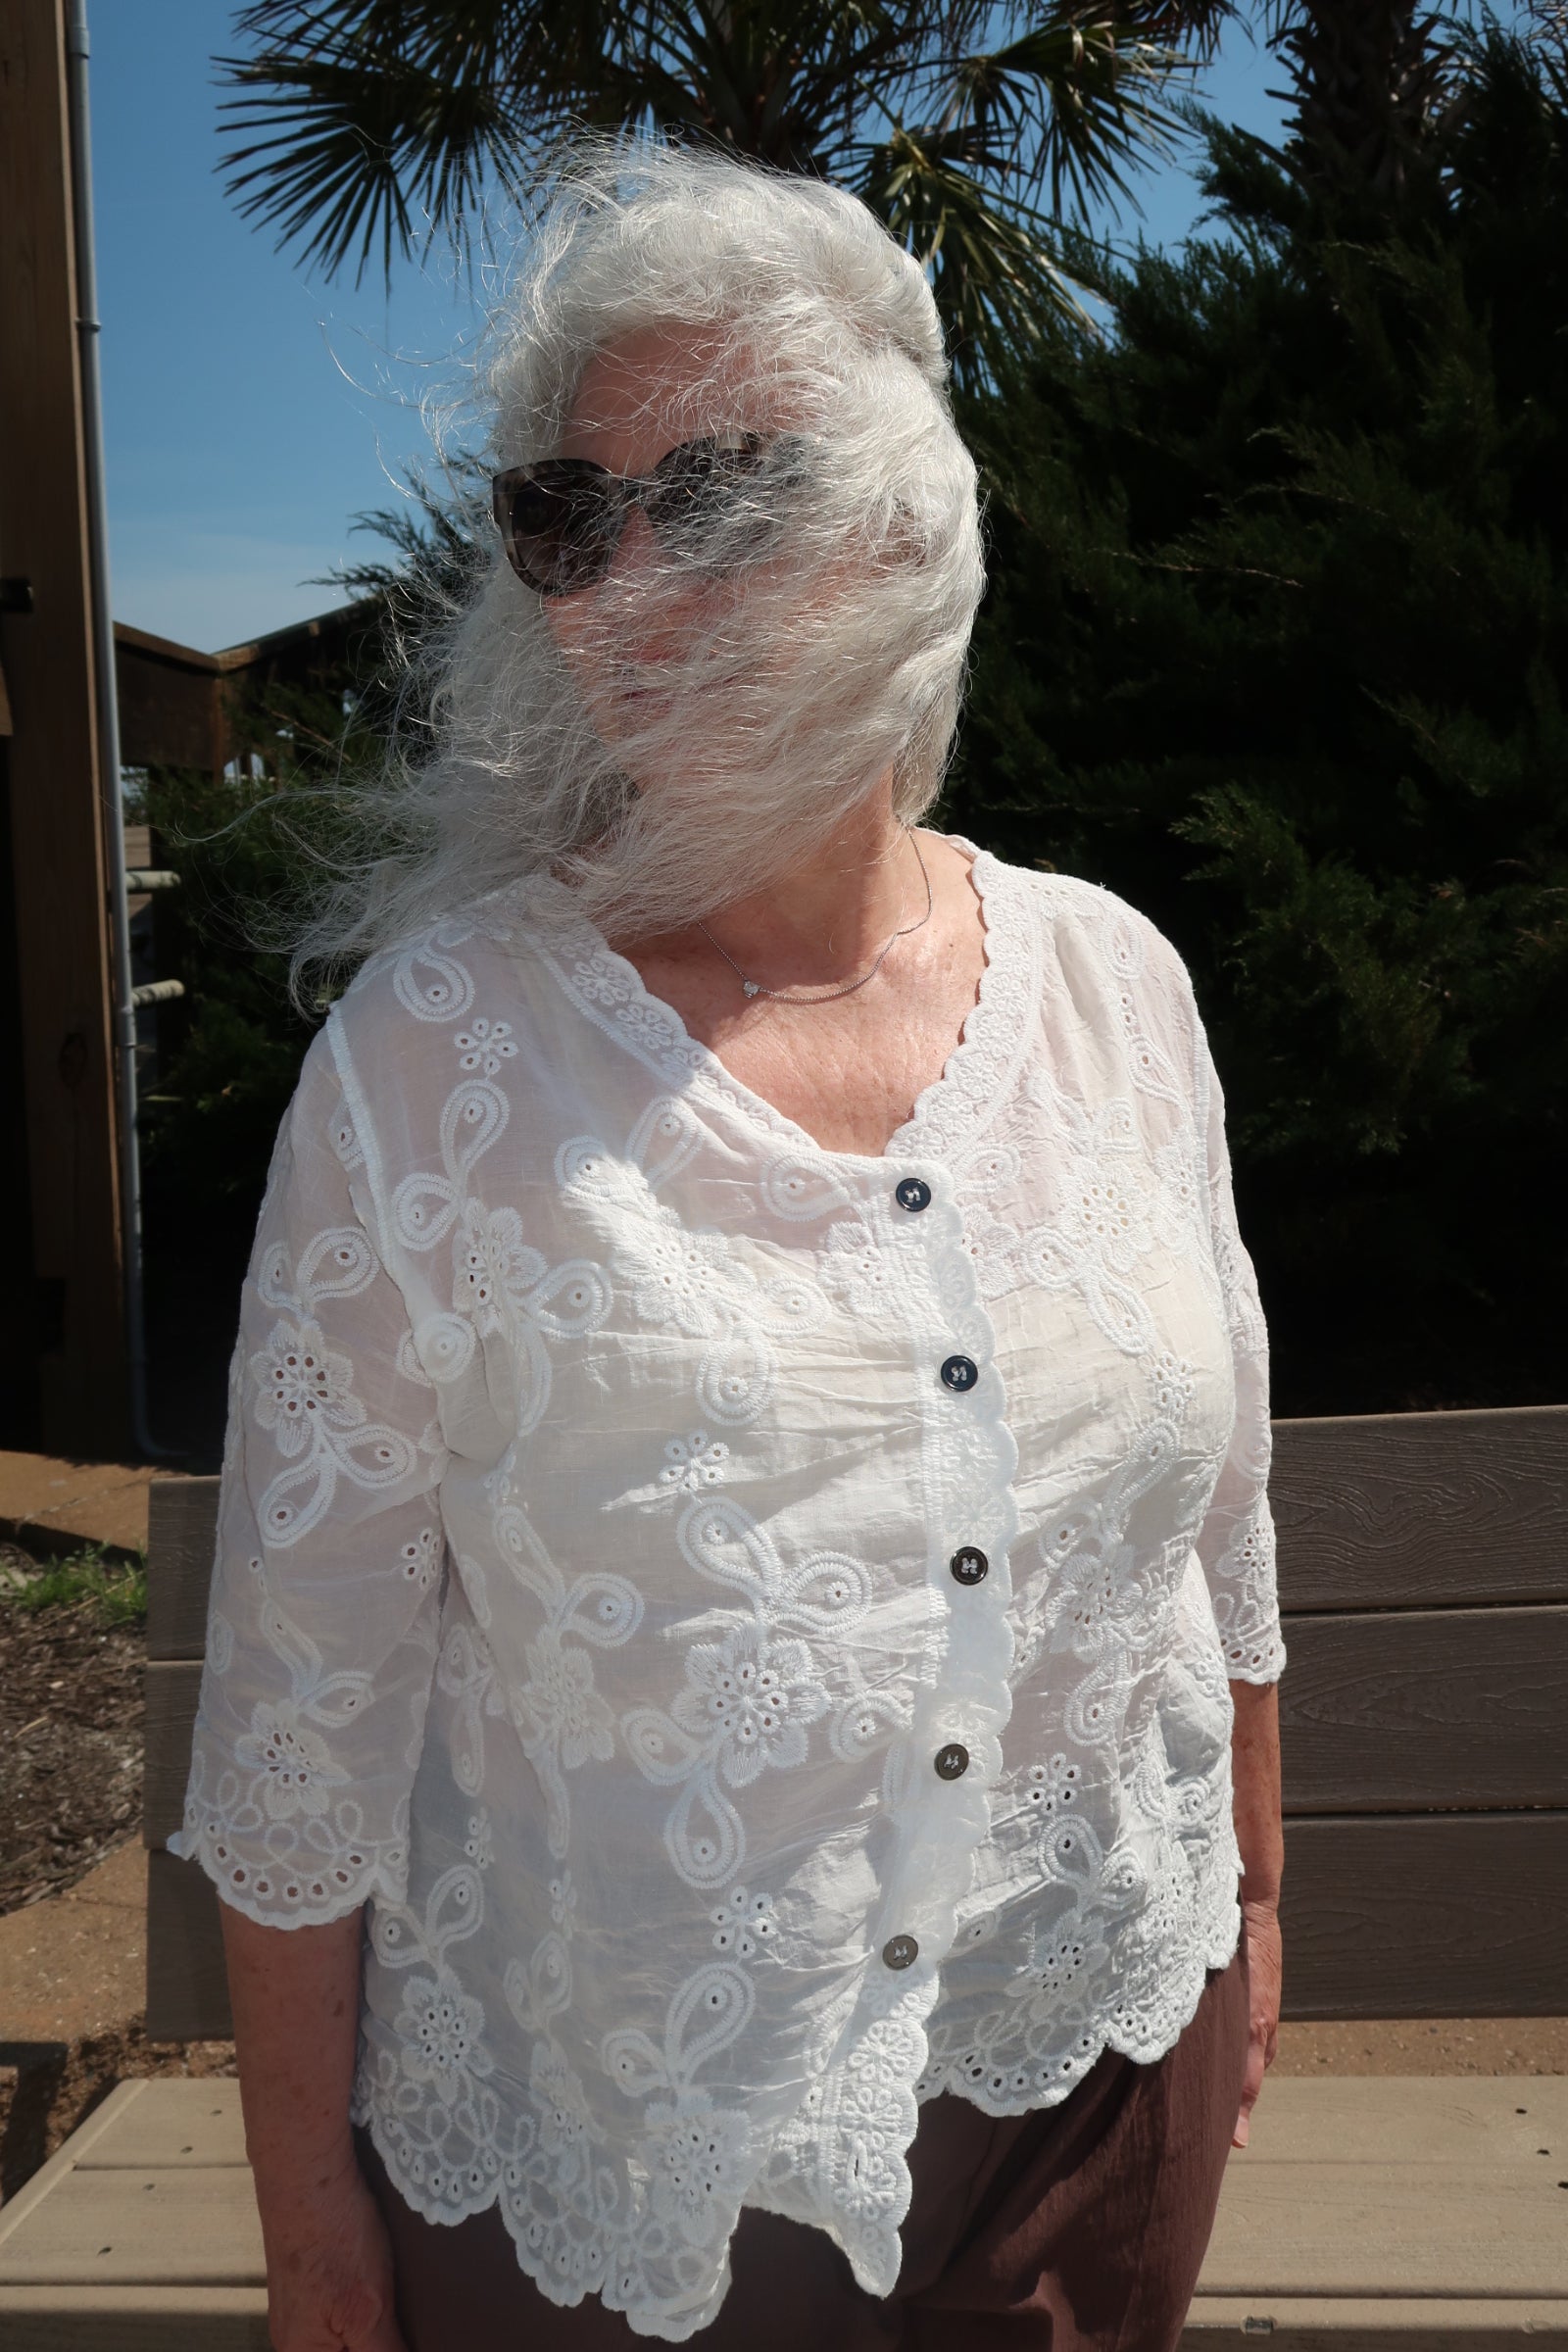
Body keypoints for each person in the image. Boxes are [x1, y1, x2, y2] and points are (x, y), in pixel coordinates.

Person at [170, 139, 1285, 2352]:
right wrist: (314, 2248)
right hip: (620, 2181)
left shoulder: (1115, 987)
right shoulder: (434, 1065)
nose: (626, 583)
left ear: (907, 515)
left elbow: (1220, 1521)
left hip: (1091, 2083)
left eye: (717, 493)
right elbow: (303, 1730)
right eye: (567, 515)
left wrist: (1251, 1912)